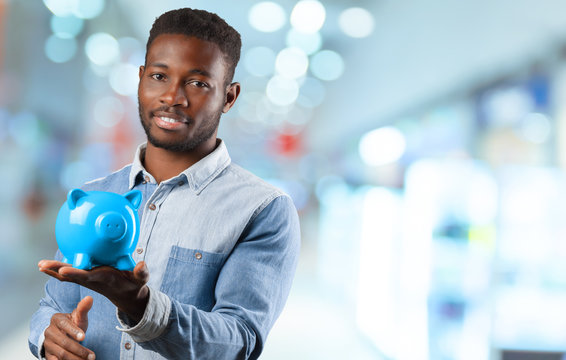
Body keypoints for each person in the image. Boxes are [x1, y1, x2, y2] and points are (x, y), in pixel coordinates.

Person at [28, 7, 301, 360]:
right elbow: (53, 304)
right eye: (159, 76)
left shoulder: (262, 210)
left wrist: (141, 306)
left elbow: (240, 341)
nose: (173, 97)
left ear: (229, 97)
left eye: (199, 83)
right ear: (141, 78)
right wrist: (48, 335)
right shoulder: (94, 196)